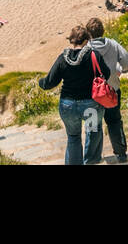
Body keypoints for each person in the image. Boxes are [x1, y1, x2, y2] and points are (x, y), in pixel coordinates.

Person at [37, 25, 108, 165]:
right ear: (86, 40)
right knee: (93, 131)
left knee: (74, 137)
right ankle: (91, 161)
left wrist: (40, 82)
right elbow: (107, 73)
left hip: (68, 105)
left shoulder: (63, 58)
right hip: (91, 105)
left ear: (71, 40)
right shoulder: (94, 55)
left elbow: (50, 82)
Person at [86, 17, 128, 163]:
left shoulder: (86, 49)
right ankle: (121, 154)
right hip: (112, 90)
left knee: (93, 125)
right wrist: (118, 70)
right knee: (114, 122)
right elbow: (127, 64)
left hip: (92, 94)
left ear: (89, 34)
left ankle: (93, 158)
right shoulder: (113, 44)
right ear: (103, 30)